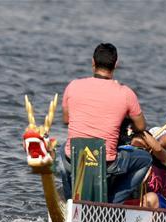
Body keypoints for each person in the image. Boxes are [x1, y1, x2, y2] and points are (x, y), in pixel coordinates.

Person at [58, 43, 152, 204]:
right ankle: (112, 204)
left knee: (62, 152)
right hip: (106, 162)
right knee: (145, 159)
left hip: (74, 158)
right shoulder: (126, 93)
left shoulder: (73, 86)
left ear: (93, 62)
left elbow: (66, 120)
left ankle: (70, 202)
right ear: (116, 64)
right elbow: (141, 126)